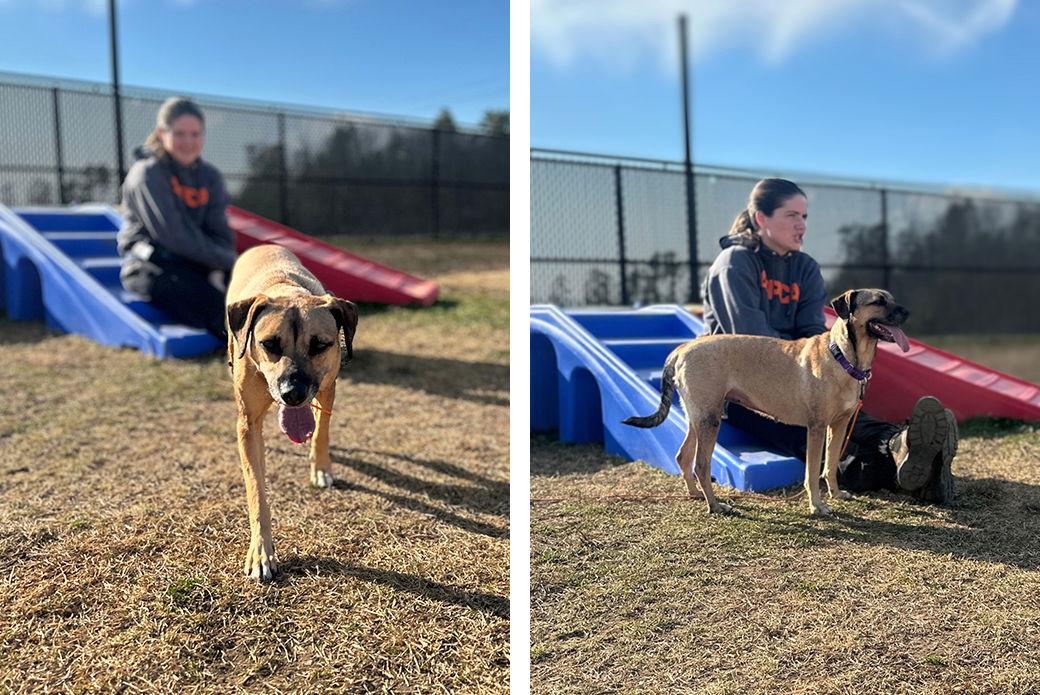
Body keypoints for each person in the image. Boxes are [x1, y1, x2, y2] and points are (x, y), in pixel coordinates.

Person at [701, 178, 958, 504]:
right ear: (761, 218)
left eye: (805, 217)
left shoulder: (805, 267)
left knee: (847, 413)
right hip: (748, 387)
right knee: (813, 434)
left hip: (805, 375)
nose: (801, 225)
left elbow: (814, 331)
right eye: (792, 215)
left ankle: (900, 442)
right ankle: (903, 468)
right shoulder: (734, 263)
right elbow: (752, 339)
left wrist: (829, 380)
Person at [117, 96, 236, 341]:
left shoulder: (210, 176)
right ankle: (247, 344)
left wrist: (222, 267)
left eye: (195, 134)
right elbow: (173, 235)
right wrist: (224, 262)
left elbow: (219, 230)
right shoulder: (148, 174)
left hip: (201, 262)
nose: (188, 142)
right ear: (162, 133)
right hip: (152, 264)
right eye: (180, 133)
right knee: (208, 301)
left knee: (254, 285)